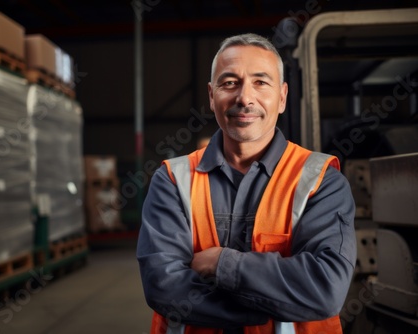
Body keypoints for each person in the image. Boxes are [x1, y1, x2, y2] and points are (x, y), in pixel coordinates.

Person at [137, 33, 356, 334]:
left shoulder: (321, 180)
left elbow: (325, 289)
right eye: (230, 83)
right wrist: (271, 302)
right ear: (211, 96)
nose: (244, 98)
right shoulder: (173, 180)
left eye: (260, 82)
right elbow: (163, 287)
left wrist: (221, 263)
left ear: (281, 97)